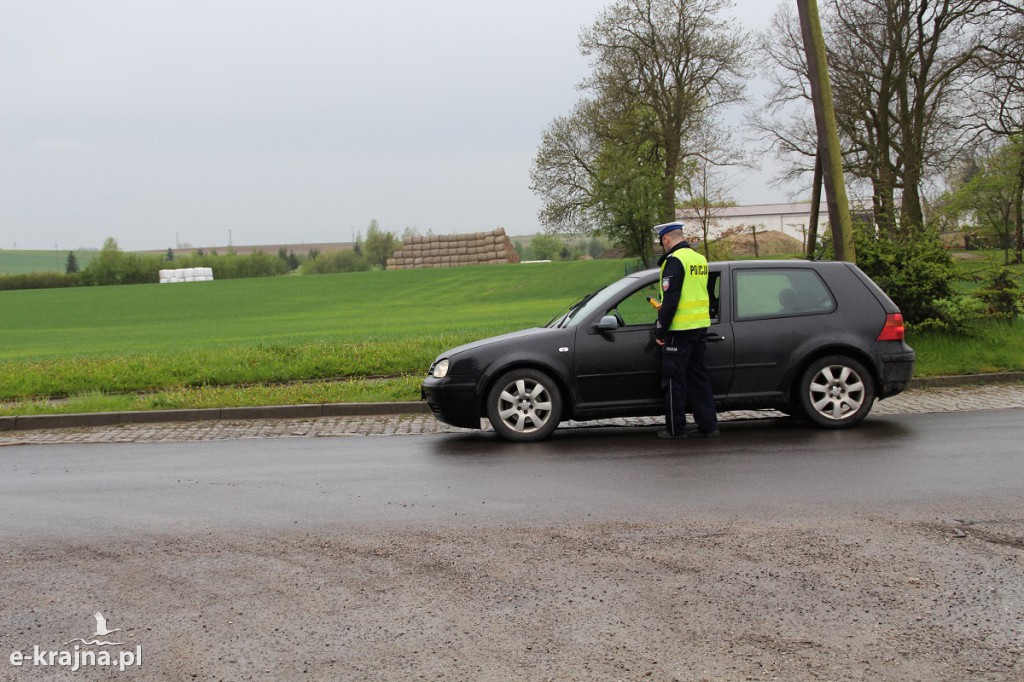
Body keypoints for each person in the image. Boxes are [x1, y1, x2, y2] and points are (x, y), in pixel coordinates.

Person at [653, 221, 719, 439]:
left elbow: (671, 300)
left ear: (667, 239)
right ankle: (709, 426)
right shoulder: (699, 259)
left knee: (674, 380)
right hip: (699, 327)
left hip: (679, 330)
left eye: (662, 242)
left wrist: (660, 331)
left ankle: (675, 429)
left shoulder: (674, 261)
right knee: (699, 377)